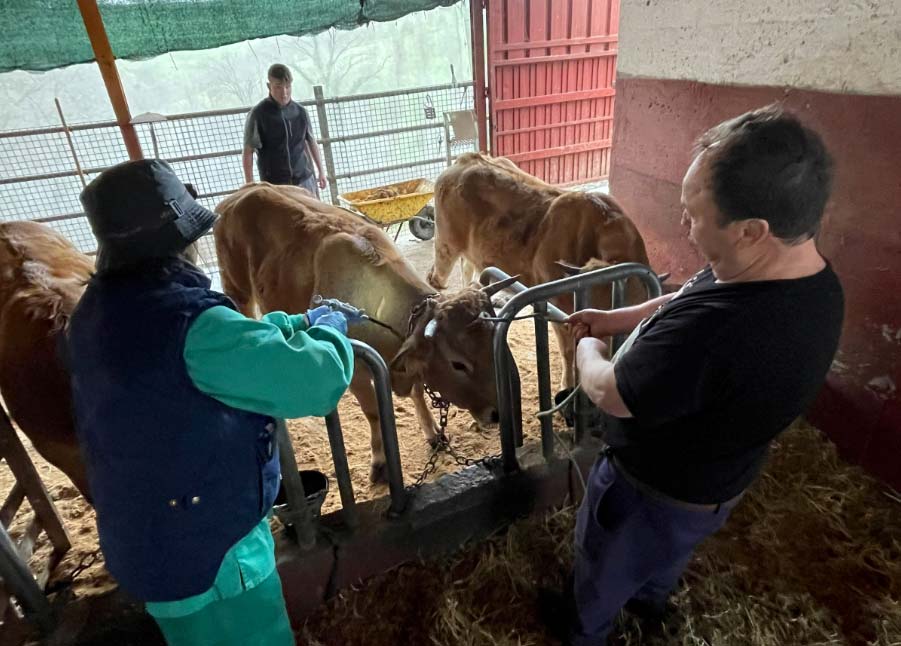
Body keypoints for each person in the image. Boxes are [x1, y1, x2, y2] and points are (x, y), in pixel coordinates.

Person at [560, 105, 844, 644]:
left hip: (647, 491)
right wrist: (619, 317)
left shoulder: (719, 331)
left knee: (602, 568)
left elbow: (611, 391)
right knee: (667, 555)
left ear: (751, 230)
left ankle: (584, 630)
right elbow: (687, 296)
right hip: (717, 487)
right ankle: (651, 601)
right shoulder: (813, 285)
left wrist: (589, 349)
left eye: (694, 215)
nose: (685, 227)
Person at [68, 159, 358, 646]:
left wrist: (293, 324)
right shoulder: (194, 326)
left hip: (149, 541)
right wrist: (331, 333)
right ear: (181, 242)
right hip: (213, 553)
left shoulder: (95, 313)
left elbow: (212, 354)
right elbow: (317, 380)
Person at [242, 63, 327, 198]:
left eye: (287, 87)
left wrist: (321, 171)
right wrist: (250, 186)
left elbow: (311, 142)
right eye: (278, 87)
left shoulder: (300, 112)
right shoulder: (258, 114)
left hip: (304, 178)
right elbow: (248, 151)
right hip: (275, 184)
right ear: (269, 86)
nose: (284, 92)